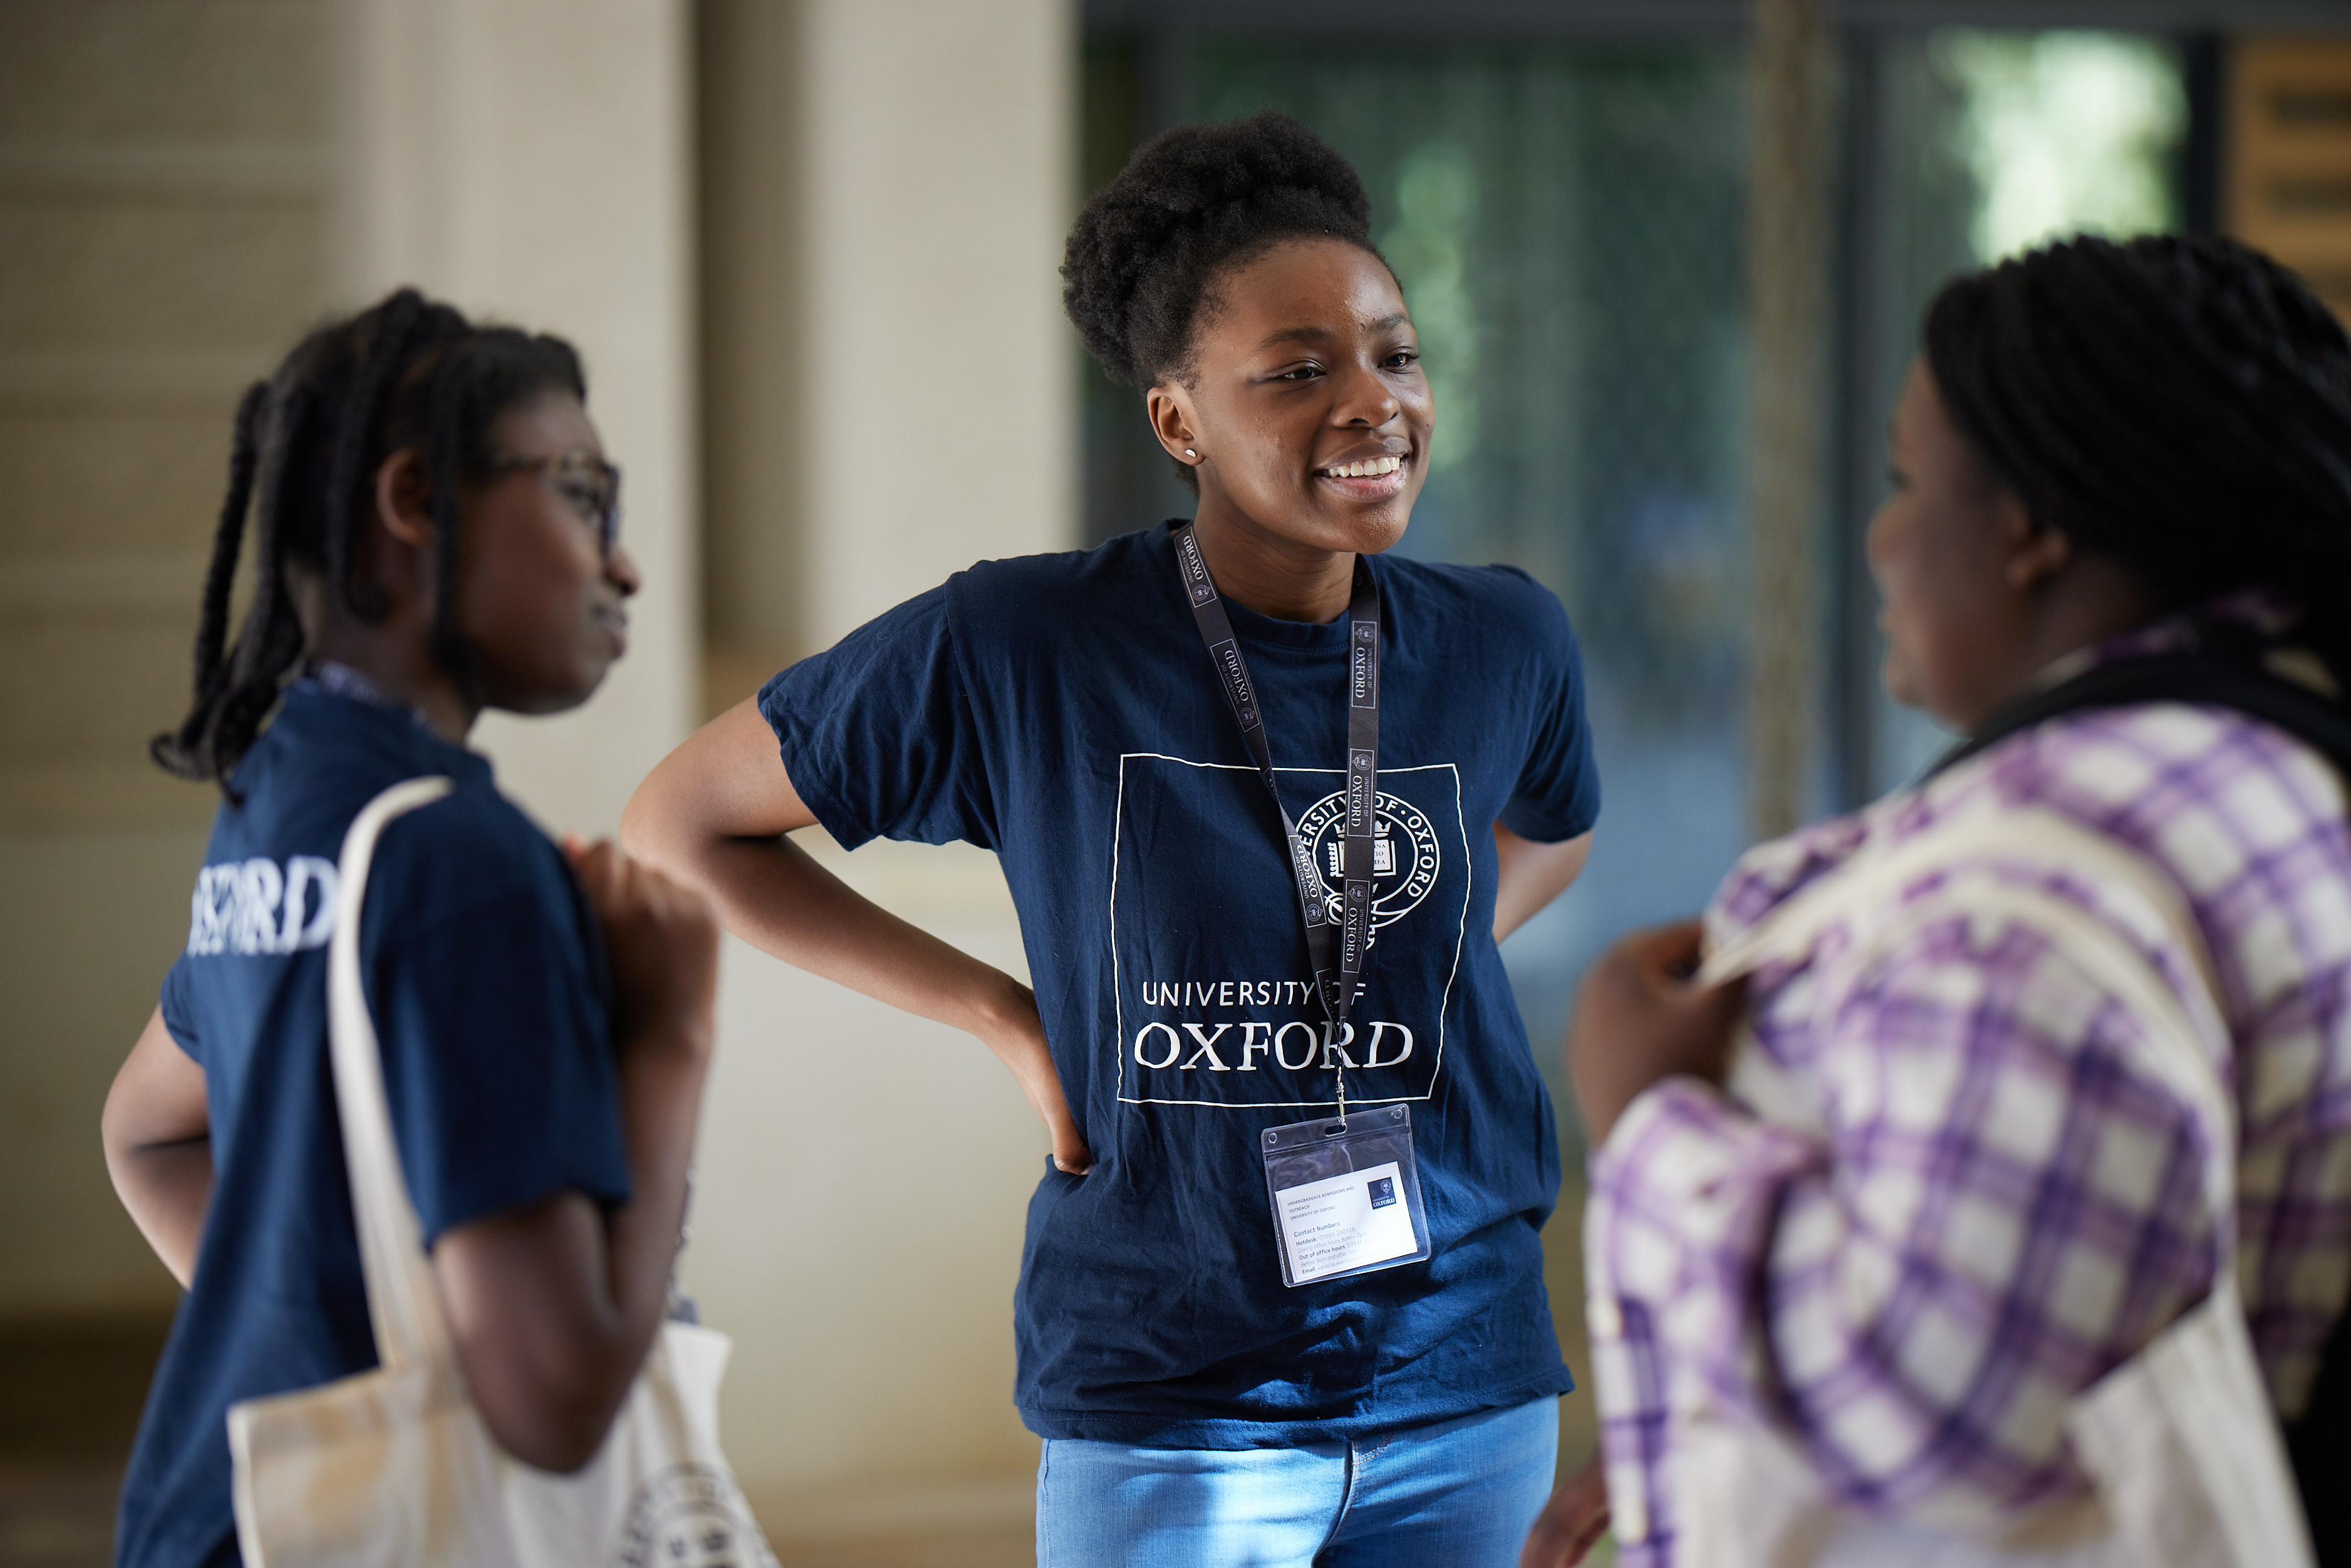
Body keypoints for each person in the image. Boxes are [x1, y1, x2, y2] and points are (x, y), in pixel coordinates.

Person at [623, 112, 1604, 1565]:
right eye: (1295, 371)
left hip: (1460, 1380)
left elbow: (1555, 831)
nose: (1370, 402)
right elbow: (677, 827)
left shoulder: (1504, 635)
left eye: (1394, 354)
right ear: (1176, 421)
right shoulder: (1030, 642)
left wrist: (1416, 938)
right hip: (1168, 1393)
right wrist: (1003, 1016)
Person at [1569, 234, 2351, 1564]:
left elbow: (1925, 1396)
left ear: (2028, 526)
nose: (1876, 536)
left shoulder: (2026, 882)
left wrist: (1649, 1114)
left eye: (1902, 479)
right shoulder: (2281, 777)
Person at [101, 289, 719, 1567]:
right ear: (417, 502)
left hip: (217, 1517)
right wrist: (671, 1028)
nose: (624, 562)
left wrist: (320, 1331)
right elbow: (552, 1404)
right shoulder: (459, 862)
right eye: (581, 492)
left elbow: (148, 1130)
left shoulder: (281, 803)